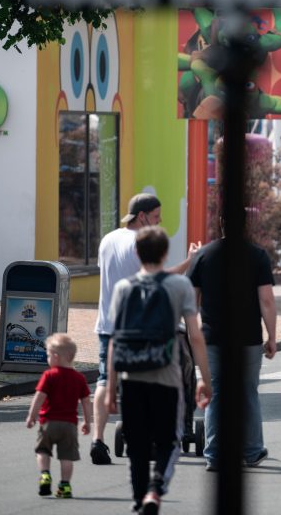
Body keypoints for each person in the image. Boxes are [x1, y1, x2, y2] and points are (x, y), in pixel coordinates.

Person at [106, 226, 211, 515]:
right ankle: (155, 488)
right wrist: (204, 378)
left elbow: (115, 340)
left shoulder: (123, 288)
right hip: (167, 377)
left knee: (137, 445)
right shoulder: (180, 287)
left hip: (131, 377)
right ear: (165, 253)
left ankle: (139, 498)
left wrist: (111, 388)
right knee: (169, 441)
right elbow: (195, 335)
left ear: (137, 252)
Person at [91, 192, 195, 465]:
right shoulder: (140, 243)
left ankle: (98, 439)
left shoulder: (107, 239)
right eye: (156, 217)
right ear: (142, 216)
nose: (158, 222)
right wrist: (189, 261)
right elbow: (159, 278)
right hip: (137, 328)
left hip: (107, 324)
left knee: (104, 380)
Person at [186, 224, 278, 471]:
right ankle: (252, 451)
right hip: (247, 337)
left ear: (220, 223)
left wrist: (194, 332)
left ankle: (214, 455)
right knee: (247, 392)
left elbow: (190, 300)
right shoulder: (257, 255)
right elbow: (267, 300)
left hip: (213, 337)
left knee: (215, 393)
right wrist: (271, 336)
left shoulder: (203, 255)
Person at [26, 333, 92, 499]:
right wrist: (87, 421)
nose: (47, 358)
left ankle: (45, 475)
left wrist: (32, 416)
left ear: (56, 356)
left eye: (48, 355)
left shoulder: (49, 375)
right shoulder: (79, 378)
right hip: (69, 425)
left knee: (42, 450)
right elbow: (86, 402)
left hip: (48, 423)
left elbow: (39, 397)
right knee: (67, 456)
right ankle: (65, 485)